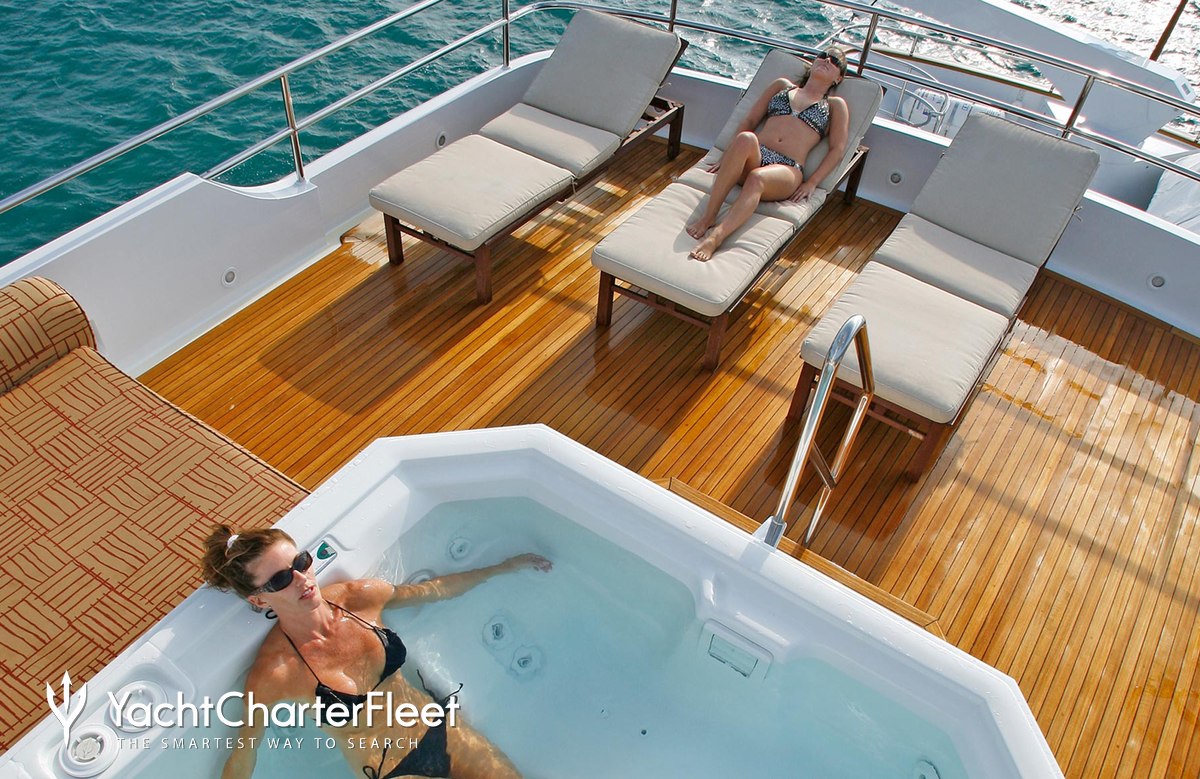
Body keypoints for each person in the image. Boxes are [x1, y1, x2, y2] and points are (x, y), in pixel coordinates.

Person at [201, 524, 552, 779]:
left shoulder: (358, 598)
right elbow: (245, 752)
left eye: (301, 562)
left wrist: (503, 567)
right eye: (280, 580)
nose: (303, 579)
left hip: (444, 730)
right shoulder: (276, 672)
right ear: (260, 600)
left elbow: (435, 590)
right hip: (392, 768)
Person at [686, 47, 851, 261]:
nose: (827, 60)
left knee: (757, 178)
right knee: (746, 138)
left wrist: (812, 183)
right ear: (813, 62)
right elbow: (750, 121)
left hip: (787, 168)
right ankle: (708, 217)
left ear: (838, 78)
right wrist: (728, 156)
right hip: (756, 155)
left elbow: (837, 149)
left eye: (835, 61)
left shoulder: (834, 105)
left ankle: (716, 237)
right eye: (823, 56)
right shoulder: (781, 86)